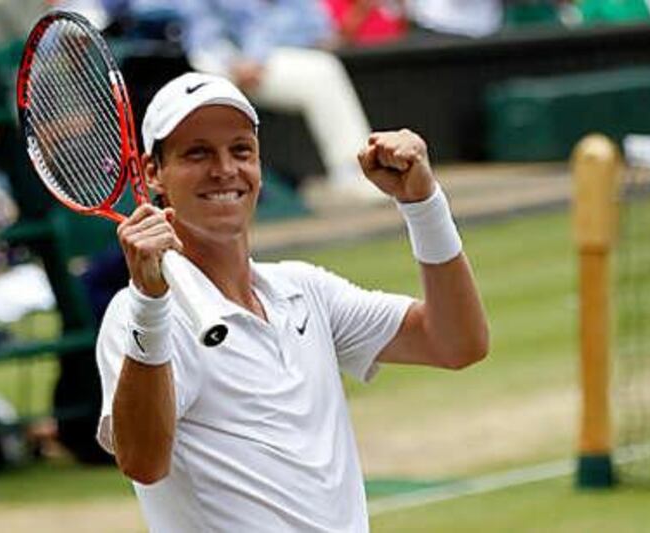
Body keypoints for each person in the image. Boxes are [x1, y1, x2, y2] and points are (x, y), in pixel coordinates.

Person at [95, 72, 489, 532]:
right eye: (198, 153)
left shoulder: (305, 290)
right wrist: (149, 304)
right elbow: (143, 461)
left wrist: (423, 205)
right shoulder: (134, 315)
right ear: (152, 174)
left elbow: (457, 343)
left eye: (240, 150)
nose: (224, 169)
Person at [171, 0, 381, 204]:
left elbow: (313, 28)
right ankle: (209, 184)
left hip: (260, 58)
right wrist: (233, 61)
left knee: (324, 69)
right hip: (208, 60)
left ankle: (355, 175)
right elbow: (200, 32)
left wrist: (256, 57)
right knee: (205, 68)